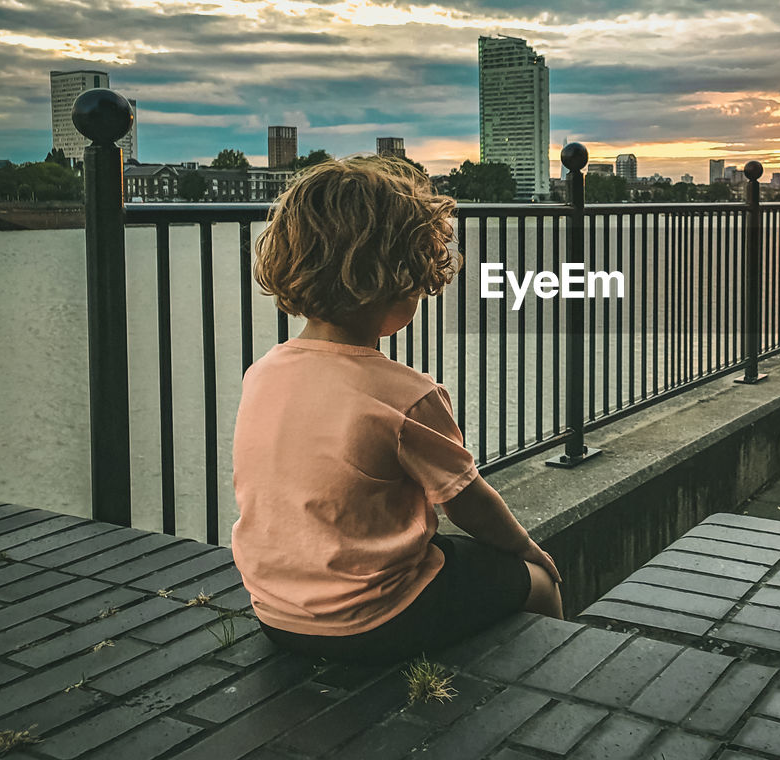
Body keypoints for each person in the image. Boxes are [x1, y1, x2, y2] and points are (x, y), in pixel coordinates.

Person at [231, 155, 562, 665]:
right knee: (536, 584)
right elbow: (467, 501)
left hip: (276, 613)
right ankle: (560, 686)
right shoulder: (404, 395)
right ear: (397, 277)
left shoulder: (264, 373)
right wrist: (527, 550)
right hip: (371, 619)